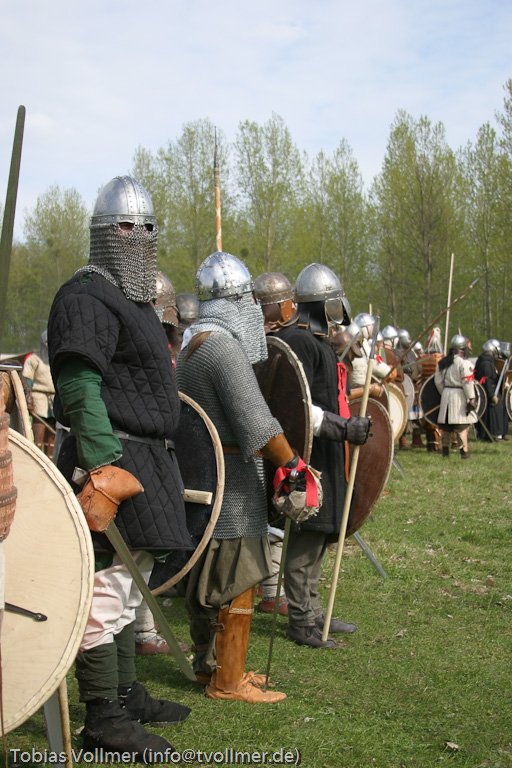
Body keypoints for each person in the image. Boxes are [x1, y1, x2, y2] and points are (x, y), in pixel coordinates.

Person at [47, 175, 193, 759]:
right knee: (105, 590)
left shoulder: (130, 301)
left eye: (148, 230)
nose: (140, 238)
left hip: (145, 460)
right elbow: (79, 388)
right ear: (107, 235)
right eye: (129, 228)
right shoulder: (86, 297)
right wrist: (102, 468)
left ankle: (127, 694)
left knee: (132, 589)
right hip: (112, 460)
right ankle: (103, 718)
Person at [176, 253, 320, 702]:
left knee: (207, 582)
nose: (257, 310)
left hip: (205, 477)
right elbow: (257, 424)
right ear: (238, 302)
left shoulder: (193, 342)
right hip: (233, 484)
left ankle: (209, 665)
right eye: (250, 301)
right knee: (236, 582)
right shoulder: (222, 348)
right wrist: (293, 465)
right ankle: (229, 680)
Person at [273, 263, 371, 648]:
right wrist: (344, 428)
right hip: (307, 453)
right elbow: (297, 407)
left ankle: (315, 614)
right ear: (320, 303)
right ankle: (300, 622)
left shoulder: (318, 342)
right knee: (306, 537)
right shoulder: (298, 342)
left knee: (321, 535)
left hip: (327, 452)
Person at [434, 334, 477, 459]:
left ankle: (445, 452)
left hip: (446, 394)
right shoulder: (464, 363)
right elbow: (467, 382)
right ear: (463, 348)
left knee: (446, 428)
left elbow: (438, 381)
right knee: (461, 426)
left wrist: (445, 392)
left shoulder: (443, 362)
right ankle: (464, 453)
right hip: (459, 396)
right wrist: (471, 398)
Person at [22, 330, 56, 458]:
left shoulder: (56, 359)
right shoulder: (34, 359)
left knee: (52, 438)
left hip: (54, 400)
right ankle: (36, 459)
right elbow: (27, 380)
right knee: (38, 436)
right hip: (39, 398)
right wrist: (28, 397)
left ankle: (50, 462)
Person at [474, 339, 505, 441]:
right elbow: (486, 381)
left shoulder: (486, 362)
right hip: (487, 393)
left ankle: (491, 434)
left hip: (489, 391)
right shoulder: (486, 364)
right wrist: (491, 395)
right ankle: (489, 435)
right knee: (490, 415)